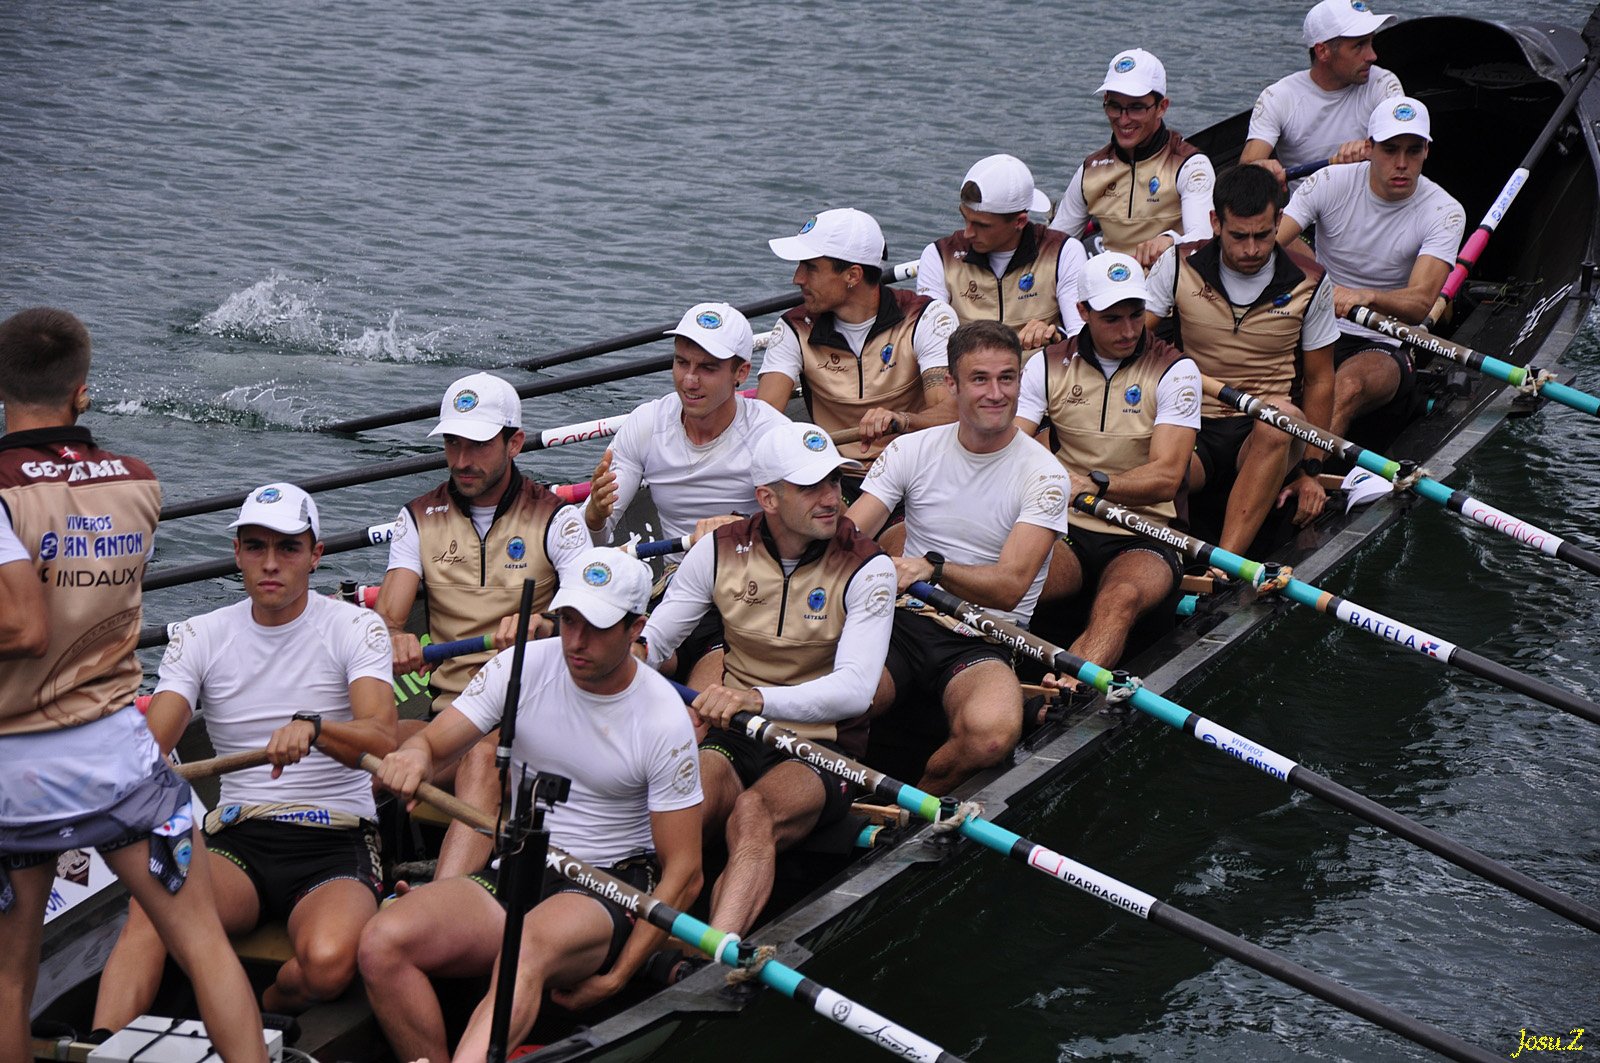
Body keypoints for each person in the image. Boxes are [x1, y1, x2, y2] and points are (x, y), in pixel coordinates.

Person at [0, 307, 266, 1062]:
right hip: (118, 752)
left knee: (9, 978)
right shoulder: (138, 481)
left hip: (14, 771)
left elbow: (23, 627)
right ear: (81, 390)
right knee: (204, 946)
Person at [356, 547, 702, 1063]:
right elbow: (433, 742)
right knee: (382, 941)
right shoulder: (521, 666)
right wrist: (414, 756)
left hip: (606, 885)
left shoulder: (663, 719)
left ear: (635, 629)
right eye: (568, 620)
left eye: (596, 626)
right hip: (517, 867)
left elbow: (686, 874)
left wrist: (617, 977)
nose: (576, 641)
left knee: (526, 946)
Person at [94, 483, 398, 1029]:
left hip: (335, 841)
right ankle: (100, 1045)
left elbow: (381, 738)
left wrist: (317, 730)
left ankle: (268, 1010)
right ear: (237, 554)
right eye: (256, 547)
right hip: (237, 839)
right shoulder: (200, 635)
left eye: (288, 548)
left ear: (316, 555)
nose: (270, 563)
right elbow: (153, 743)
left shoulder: (356, 627)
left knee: (328, 964)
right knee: (153, 904)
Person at [641, 422, 895, 936]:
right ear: (768, 499)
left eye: (834, 481)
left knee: (753, 813)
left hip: (822, 745)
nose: (832, 498)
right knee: (679, 804)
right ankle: (642, 937)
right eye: (811, 487)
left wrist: (756, 699)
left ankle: (715, 954)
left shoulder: (869, 568)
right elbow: (656, 642)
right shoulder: (716, 551)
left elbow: (855, 691)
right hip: (735, 732)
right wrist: (611, 650)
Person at [375, 371, 591, 881]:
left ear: (514, 443)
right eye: (452, 443)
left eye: (476, 445)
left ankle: (441, 901)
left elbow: (590, 614)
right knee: (363, 746)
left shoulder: (558, 520)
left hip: (528, 725)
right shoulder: (417, 517)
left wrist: (546, 624)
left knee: (481, 758)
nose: (461, 460)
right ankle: (358, 873)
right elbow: (386, 621)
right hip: (447, 718)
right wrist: (394, 639)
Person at [845, 320, 1071, 795]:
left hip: (985, 636)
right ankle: (833, 798)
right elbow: (847, 538)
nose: (996, 393)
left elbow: (1010, 587)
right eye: (980, 379)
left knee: (992, 737)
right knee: (843, 702)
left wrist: (935, 569)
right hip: (904, 622)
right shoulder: (911, 449)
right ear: (952, 384)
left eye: (1007, 378)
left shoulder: (1045, 475)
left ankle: (913, 811)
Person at [584, 303, 790, 685]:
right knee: (605, 664)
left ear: (741, 373)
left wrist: (744, 528)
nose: (689, 381)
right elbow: (593, 539)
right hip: (674, 587)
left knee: (701, 702)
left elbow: (809, 527)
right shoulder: (647, 423)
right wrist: (595, 516)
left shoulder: (771, 434)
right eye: (682, 363)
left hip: (747, 591)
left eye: (707, 368)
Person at [1014, 252, 1200, 669]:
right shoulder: (1046, 364)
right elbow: (1013, 446)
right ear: (1083, 312)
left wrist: (1096, 485)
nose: (1129, 330)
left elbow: (1167, 478)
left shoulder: (1175, 370)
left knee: (1120, 599)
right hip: (1068, 527)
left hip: (1147, 531)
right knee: (1014, 578)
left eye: (1136, 315)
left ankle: (1072, 689)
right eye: (1112, 319)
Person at [1144, 164, 1339, 554]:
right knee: (1144, 461)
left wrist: (1311, 472)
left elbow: (1320, 380)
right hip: (1192, 423)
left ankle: (1225, 565)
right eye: (1239, 236)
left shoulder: (1311, 282)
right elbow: (1131, 341)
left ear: (1279, 222)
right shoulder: (1177, 264)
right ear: (1215, 223)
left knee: (1279, 418)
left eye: (1263, 235)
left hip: (1263, 432)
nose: (1251, 249)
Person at [1278, 96, 1465, 436]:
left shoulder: (1444, 210)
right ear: (1369, 148)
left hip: (1385, 340)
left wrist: (1366, 296)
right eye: (1390, 150)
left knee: (1346, 387)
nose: (1402, 164)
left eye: (1413, 151)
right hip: (1316, 321)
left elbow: (1421, 303)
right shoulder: (1329, 182)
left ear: (1427, 151)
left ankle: (1310, 465)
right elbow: (1269, 244)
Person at [757, 207, 960, 462]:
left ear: (853, 275)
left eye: (810, 267)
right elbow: (763, 420)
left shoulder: (925, 318)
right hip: (833, 470)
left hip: (914, 465)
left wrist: (902, 420)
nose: (797, 278)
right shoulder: (795, 327)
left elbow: (950, 412)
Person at [1048, 49, 1216, 267]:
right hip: (1106, 283)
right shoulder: (1090, 170)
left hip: (1168, 281)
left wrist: (1170, 241)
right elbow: (1053, 248)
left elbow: (1203, 241)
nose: (1123, 119)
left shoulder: (1191, 166)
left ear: (1162, 107)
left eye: (1136, 108)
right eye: (1115, 106)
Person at [918, 153, 1088, 349]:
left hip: (1041, 366)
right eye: (965, 218)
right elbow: (930, 342)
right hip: (967, 366)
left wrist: (1057, 336)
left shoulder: (1064, 252)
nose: (967, 233)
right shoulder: (939, 255)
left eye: (982, 225)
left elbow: (1081, 335)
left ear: (1020, 222)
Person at [1240, 0, 1403, 188]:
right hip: (1306, 204)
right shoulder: (1278, 97)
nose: (1372, 56)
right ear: (1323, 51)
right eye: (1359, 45)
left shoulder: (1383, 83)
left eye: (1370, 42)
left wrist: (1373, 147)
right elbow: (1247, 168)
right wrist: (1262, 168)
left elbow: (1402, 145)